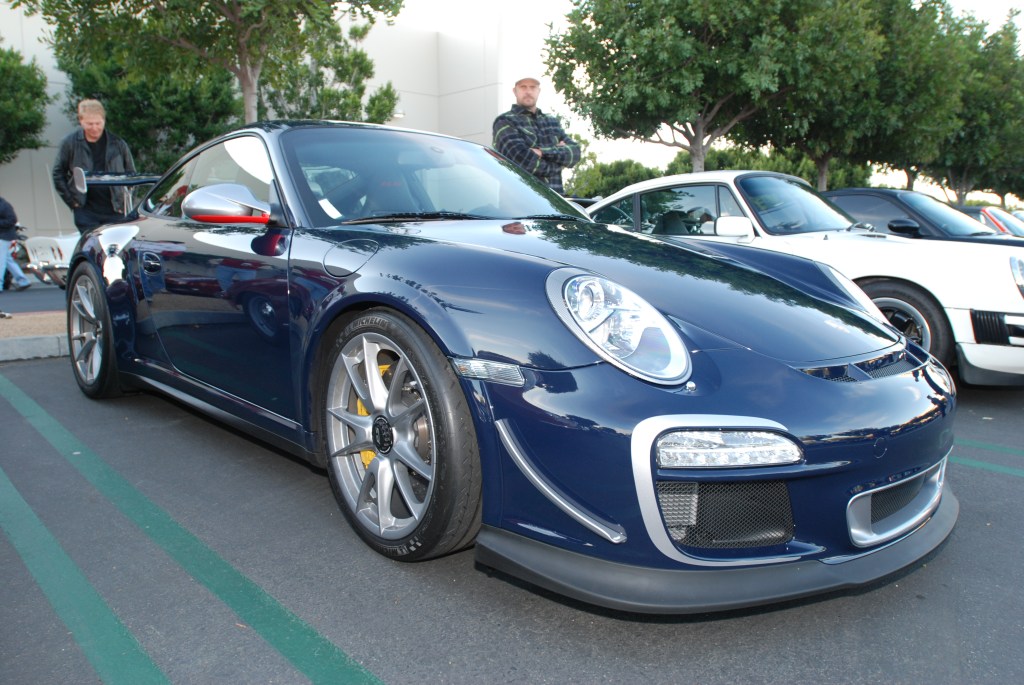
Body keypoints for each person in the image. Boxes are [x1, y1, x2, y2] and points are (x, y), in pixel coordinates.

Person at [52, 98, 136, 233]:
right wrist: (73, 203)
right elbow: (58, 174)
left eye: (98, 123)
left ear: (104, 120)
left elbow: (132, 176)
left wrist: (126, 204)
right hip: (86, 211)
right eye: (89, 124)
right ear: (81, 121)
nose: (95, 128)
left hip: (116, 210)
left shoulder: (118, 144)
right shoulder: (70, 143)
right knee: (92, 249)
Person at [492, 77, 581, 194]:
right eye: (523, 87)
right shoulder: (504, 121)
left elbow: (575, 153)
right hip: (519, 203)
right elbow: (522, 161)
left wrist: (542, 152)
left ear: (539, 91)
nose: (528, 91)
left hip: (557, 203)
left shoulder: (551, 122)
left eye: (532, 87)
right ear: (515, 91)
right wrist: (558, 164)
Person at [1, 195, 33, 295]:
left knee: (1, 261)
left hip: (4, 236)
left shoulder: (4, 206)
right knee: (7, 260)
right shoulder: (4, 205)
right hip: (4, 235)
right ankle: (23, 281)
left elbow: (12, 220)